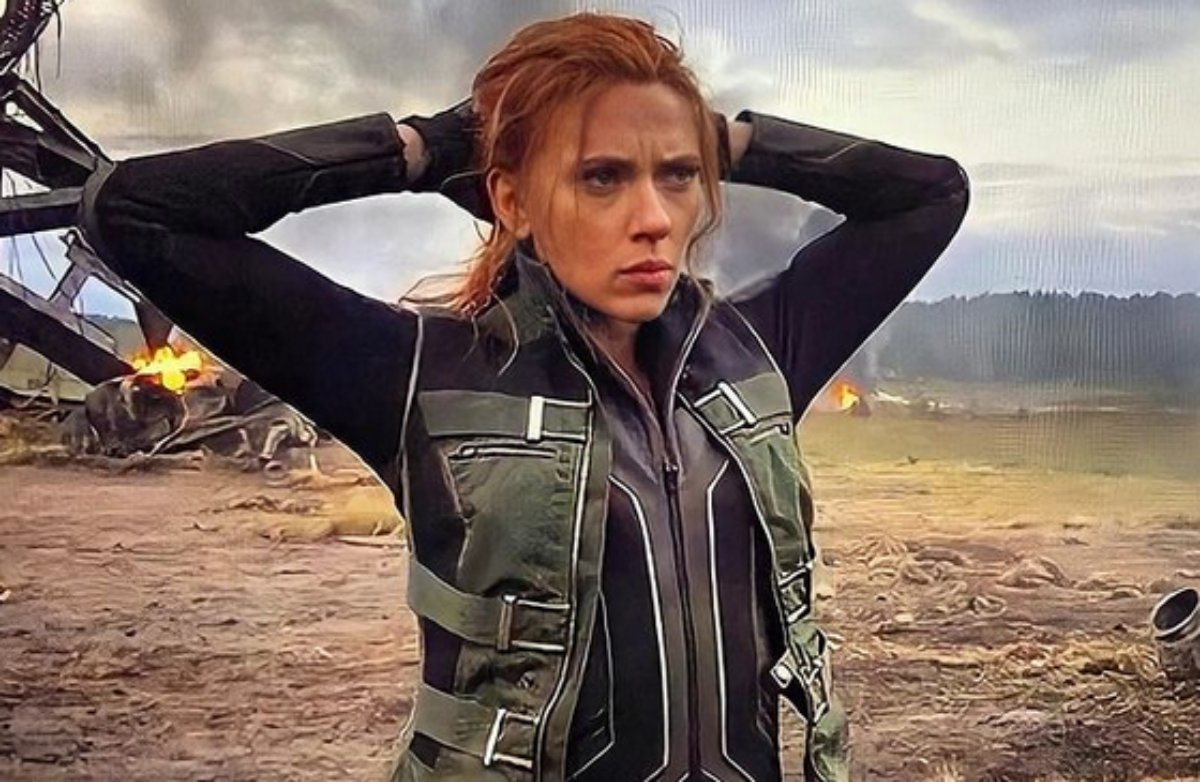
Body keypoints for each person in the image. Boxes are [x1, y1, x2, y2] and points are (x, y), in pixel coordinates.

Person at [78, 12, 968, 782]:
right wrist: (421, 147)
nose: (655, 218)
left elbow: (930, 196)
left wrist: (726, 138)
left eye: (678, 175)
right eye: (602, 176)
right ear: (512, 199)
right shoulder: (417, 372)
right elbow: (135, 211)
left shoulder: (760, 350)